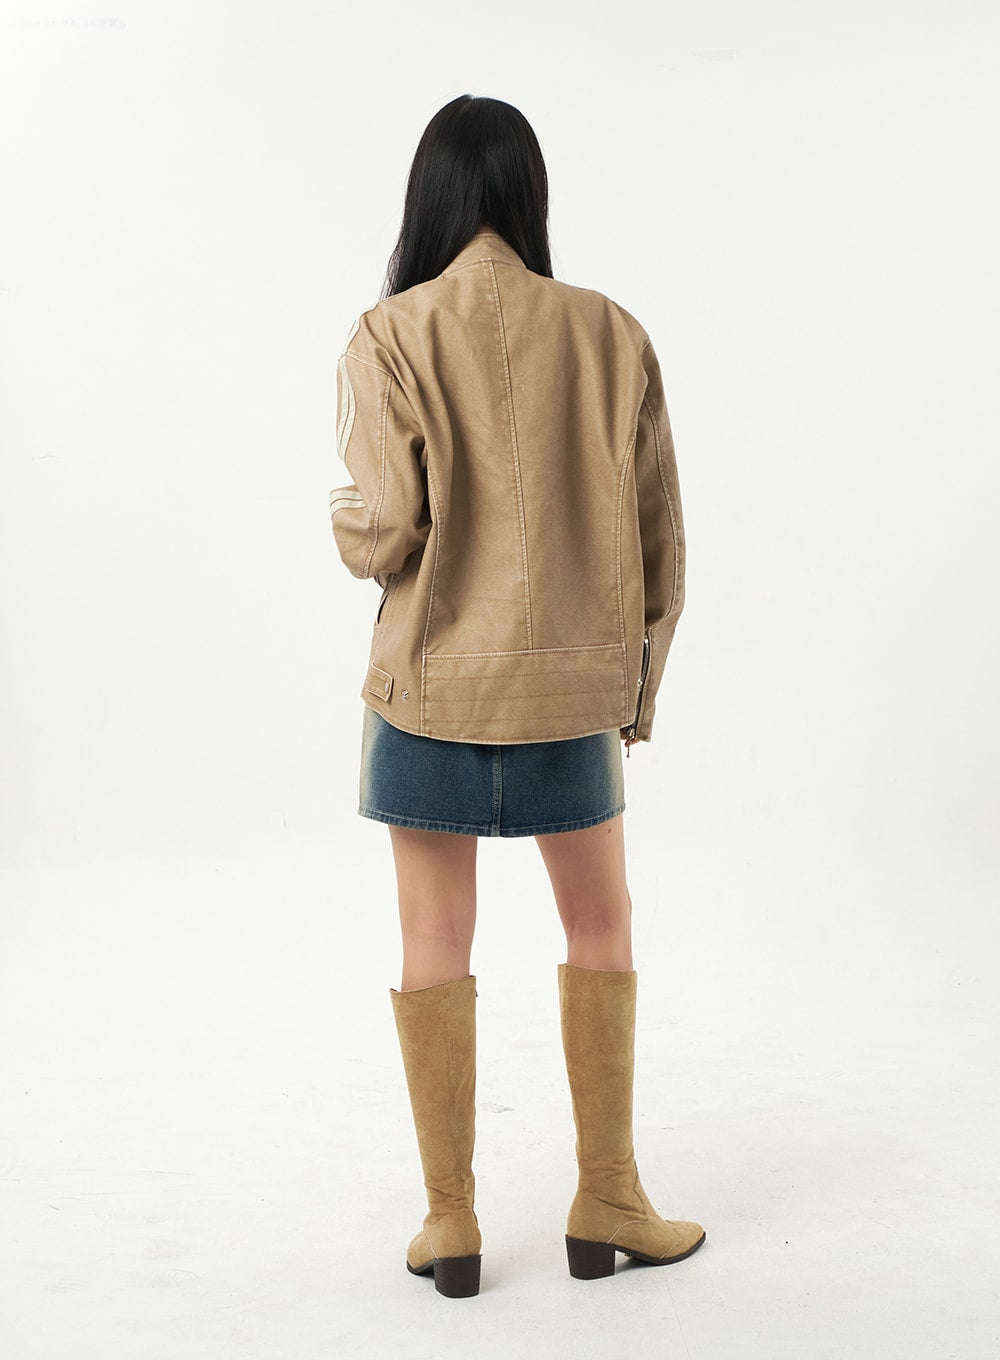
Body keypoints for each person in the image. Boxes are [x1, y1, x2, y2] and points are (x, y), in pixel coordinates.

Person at [328, 93, 706, 1298]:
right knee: (601, 922)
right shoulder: (610, 332)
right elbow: (660, 542)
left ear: (428, 199)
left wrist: (344, 524)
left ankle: (450, 1222)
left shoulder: (388, 333)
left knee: (433, 938)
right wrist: (631, 693)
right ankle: (609, 1197)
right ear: (529, 195)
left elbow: (386, 527)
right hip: (569, 696)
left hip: (427, 691)